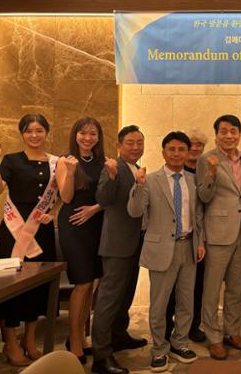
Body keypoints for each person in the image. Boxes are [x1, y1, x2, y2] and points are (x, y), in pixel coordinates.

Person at [127, 131, 206, 373]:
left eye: (181, 149)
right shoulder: (150, 180)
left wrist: (200, 241)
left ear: (188, 152)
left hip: (188, 247)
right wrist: (138, 186)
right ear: (163, 152)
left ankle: (179, 343)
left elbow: (198, 215)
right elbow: (134, 211)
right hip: (161, 249)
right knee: (159, 305)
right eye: (171, 149)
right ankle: (159, 349)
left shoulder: (193, 180)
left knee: (186, 302)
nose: (176, 154)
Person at [0, 114, 58, 367]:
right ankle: (10, 341)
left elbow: (62, 197)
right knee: (9, 284)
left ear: (46, 132)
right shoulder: (11, 160)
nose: (34, 135)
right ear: (22, 133)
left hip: (41, 230)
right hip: (13, 230)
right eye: (29, 130)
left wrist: (53, 214)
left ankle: (29, 339)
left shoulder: (55, 163)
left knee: (37, 286)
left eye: (39, 130)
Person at [196, 115, 241, 360]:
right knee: (212, 290)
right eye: (224, 131)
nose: (229, 135)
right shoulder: (206, 159)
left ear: (239, 134)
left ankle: (233, 332)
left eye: (233, 131)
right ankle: (213, 337)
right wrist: (211, 172)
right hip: (217, 233)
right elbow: (203, 196)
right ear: (216, 134)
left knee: (235, 288)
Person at [91, 125, 147, 374]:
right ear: (119, 145)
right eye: (130, 143)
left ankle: (118, 335)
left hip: (135, 243)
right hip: (116, 244)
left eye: (139, 143)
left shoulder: (137, 169)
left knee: (125, 294)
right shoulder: (113, 167)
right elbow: (103, 199)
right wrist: (112, 176)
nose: (135, 147)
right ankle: (101, 356)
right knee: (108, 299)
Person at [56, 117, 106, 363]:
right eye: (82, 133)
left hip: (96, 224)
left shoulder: (104, 162)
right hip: (74, 224)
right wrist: (71, 172)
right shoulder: (65, 160)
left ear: (98, 137)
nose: (87, 138)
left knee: (92, 283)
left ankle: (82, 337)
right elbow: (66, 197)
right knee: (82, 283)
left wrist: (94, 209)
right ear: (75, 135)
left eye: (92, 133)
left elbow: (108, 196)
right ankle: (74, 340)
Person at [164, 128, 208, 344]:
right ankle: (167, 328)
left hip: (200, 238)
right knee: (170, 288)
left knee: (196, 286)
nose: (195, 148)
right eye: (192, 144)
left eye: (200, 145)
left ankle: (192, 326)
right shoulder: (171, 173)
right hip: (173, 239)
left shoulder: (206, 171)